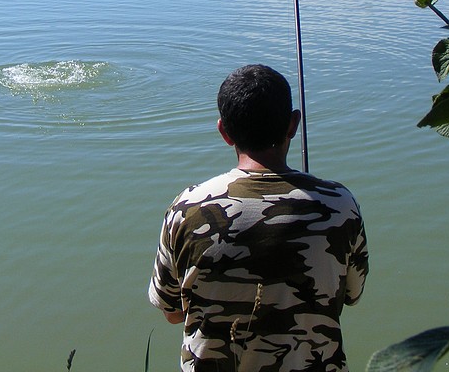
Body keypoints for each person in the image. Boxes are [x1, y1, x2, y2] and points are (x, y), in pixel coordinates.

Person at [149, 64, 368, 372]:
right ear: (293, 124)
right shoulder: (340, 205)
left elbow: (171, 312)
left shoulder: (186, 210)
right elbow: (351, 294)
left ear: (224, 131)